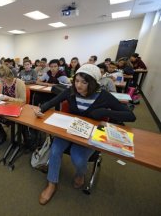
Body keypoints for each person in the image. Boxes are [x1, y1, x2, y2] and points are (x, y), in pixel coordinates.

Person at [35, 64, 136, 205]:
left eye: (84, 82)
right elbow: (53, 101)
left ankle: (80, 174)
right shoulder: (71, 91)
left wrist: (106, 112)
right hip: (68, 130)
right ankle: (52, 184)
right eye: (76, 81)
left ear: (93, 83)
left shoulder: (103, 96)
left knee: (78, 158)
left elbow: (130, 116)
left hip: (88, 135)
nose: (78, 86)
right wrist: (41, 109)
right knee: (55, 150)